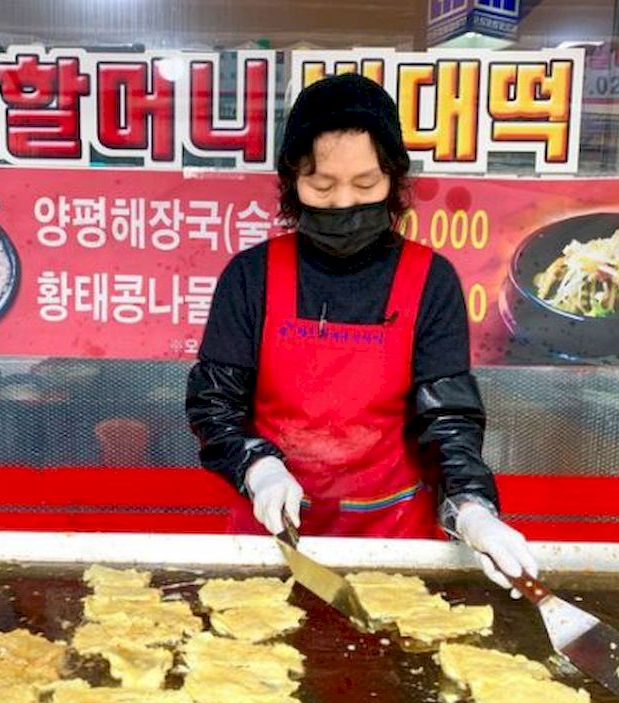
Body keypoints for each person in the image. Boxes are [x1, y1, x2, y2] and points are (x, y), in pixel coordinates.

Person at [185, 73, 536, 596]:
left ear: (394, 179)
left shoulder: (429, 280)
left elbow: (448, 421)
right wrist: (255, 465)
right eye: (321, 185)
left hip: (391, 540)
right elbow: (214, 404)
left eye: (366, 184)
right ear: (291, 181)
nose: (343, 203)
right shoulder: (251, 276)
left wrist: (471, 506)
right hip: (273, 534)